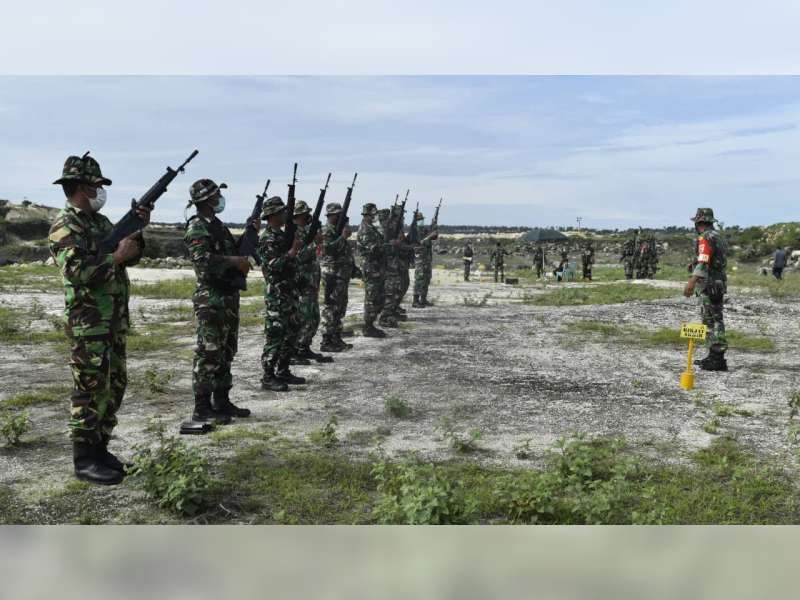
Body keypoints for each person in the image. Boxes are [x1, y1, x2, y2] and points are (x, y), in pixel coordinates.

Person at [49, 152, 149, 485]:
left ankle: (101, 448)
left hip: (113, 320)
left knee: (115, 385)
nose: (100, 191)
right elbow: (76, 271)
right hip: (89, 322)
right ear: (80, 187)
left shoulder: (100, 223)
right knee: (89, 389)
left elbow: (127, 256)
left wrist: (137, 232)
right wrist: (115, 257)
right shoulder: (65, 224)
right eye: (95, 185)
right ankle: (84, 459)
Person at [184, 179, 254, 429]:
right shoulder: (197, 227)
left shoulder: (218, 226)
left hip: (227, 296)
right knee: (209, 352)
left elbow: (232, 250)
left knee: (225, 351)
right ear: (206, 199)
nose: (219, 199)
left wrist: (249, 233)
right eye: (215, 195)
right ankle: (201, 408)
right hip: (210, 298)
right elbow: (202, 260)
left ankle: (222, 400)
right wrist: (234, 261)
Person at [257, 196, 305, 391]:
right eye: (282, 212)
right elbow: (272, 266)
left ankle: (283, 370)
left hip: (290, 292)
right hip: (277, 293)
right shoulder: (267, 237)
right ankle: (268, 376)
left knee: (292, 332)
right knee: (276, 335)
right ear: (273, 215)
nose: (285, 214)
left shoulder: (282, 235)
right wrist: (292, 252)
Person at [684, 208, 728, 372]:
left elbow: (704, 260)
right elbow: (713, 258)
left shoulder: (705, 237)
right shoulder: (718, 236)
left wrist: (692, 280)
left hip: (708, 284)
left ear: (699, 222)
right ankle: (714, 356)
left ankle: (717, 358)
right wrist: (694, 263)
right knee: (715, 318)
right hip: (718, 282)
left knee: (711, 320)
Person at [291, 200, 332, 363]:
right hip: (301, 282)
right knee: (303, 317)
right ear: (297, 216)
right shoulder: (294, 233)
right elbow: (298, 256)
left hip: (311, 282)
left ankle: (305, 346)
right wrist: (315, 242)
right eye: (305, 214)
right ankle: (296, 349)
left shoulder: (306, 231)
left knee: (313, 318)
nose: (308, 217)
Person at [320, 203, 353, 352]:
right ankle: (326, 340)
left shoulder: (338, 230)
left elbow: (344, 252)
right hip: (331, 273)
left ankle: (336, 337)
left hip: (341, 274)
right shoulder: (326, 231)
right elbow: (328, 250)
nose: (340, 217)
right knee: (331, 307)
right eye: (337, 214)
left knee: (340, 307)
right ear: (331, 215)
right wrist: (343, 237)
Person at [357, 203, 387, 337]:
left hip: (376, 267)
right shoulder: (365, 229)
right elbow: (374, 248)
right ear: (368, 215)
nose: (375, 217)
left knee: (379, 297)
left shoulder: (372, 228)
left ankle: (371, 323)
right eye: (374, 215)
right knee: (371, 297)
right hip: (370, 267)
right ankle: (367, 327)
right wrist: (387, 246)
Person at [379, 204, 405, 328]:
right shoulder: (384, 229)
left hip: (394, 261)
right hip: (387, 263)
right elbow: (384, 245)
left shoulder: (392, 227)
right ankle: (385, 316)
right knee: (390, 289)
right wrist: (396, 242)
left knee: (396, 287)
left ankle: (392, 312)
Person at [412, 211, 437, 307]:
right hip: (420, 259)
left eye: (422, 219)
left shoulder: (424, 230)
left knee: (427, 278)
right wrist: (429, 236)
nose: (421, 221)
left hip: (427, 258)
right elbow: (422, 242)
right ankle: (415, 300)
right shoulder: (414, 231)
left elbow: (434, 235)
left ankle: (423, 298)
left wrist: (434, 224)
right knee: (419, 279)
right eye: (419, 220)